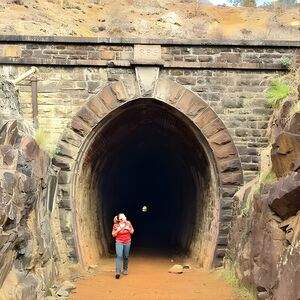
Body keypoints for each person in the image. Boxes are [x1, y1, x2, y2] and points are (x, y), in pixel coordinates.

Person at [112, 213, 134, 279]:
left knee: (126, 256)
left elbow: (132, 232)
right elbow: (113, 234)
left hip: (127, 242)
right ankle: (117, 272)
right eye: (124, 216)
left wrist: (128, 229)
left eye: (125, 215)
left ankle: (125, 269)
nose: (125, 217)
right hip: (119, 242)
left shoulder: (128, 223)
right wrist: (117, 231)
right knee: (119, 256)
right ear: (120, 219)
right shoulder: (116, 225)